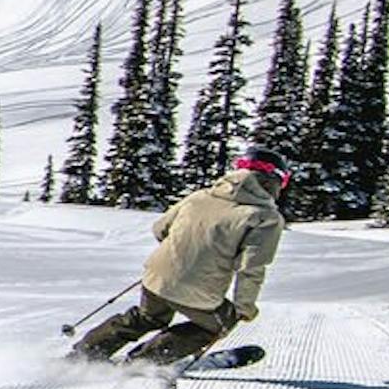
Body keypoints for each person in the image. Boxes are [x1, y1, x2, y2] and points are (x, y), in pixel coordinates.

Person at [74, 153, 290, 362]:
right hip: (199, 288)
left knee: (147, 317)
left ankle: (86, 352)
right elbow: (251, 267)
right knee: (218, 324)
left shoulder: (200, 196)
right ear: (275, 181)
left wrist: (181, 253)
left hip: (157, 275)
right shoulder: (265, 217)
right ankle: (145, 360)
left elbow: (160, 229)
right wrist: (244, 307)